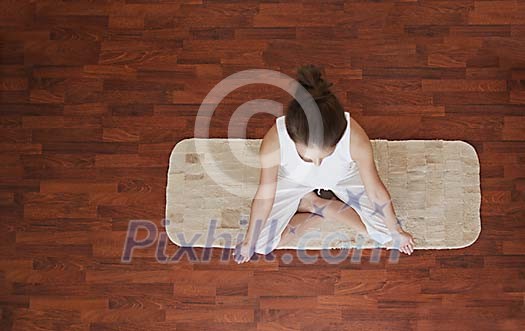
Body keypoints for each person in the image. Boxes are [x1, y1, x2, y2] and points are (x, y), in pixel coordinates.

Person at [234, 64, 415, 264]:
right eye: (309, 158)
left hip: (343, 176)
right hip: (294, 180)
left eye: (325, 156)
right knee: (260, 244)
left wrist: (397, 230)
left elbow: (375, 190)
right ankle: (312, 205)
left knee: (385, 234)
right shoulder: (273, 142)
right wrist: (248, 241)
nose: (317, 164)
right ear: (293, 138)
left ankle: (321, 203)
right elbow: (264, 197)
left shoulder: (356, 139)